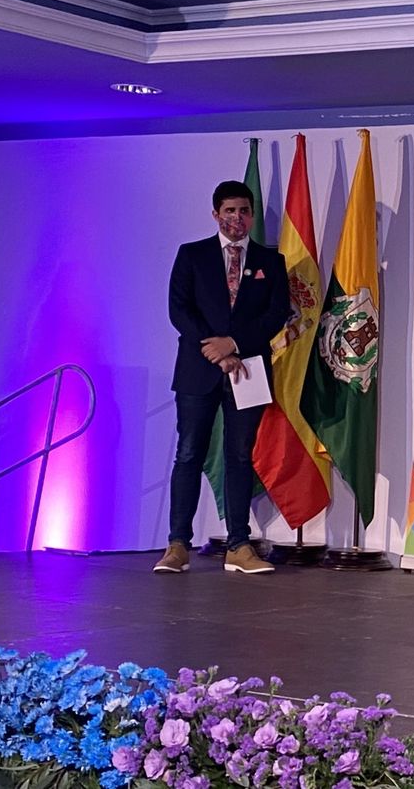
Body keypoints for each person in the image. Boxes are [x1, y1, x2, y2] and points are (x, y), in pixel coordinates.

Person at [155, 180, 291, 575]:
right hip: (198, 370)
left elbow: (275, 314)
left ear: (251, 215)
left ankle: (239, 545)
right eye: (229, 210)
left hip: (247, 369)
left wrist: (232, 344)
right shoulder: (192, 255)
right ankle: (178, 545)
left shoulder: (270, 260)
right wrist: (215, 352)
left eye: (244, 211)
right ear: (216, 214)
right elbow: (179, 310)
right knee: (189, 453)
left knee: (239, 455)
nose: (237, 217)